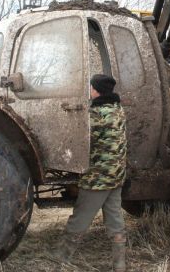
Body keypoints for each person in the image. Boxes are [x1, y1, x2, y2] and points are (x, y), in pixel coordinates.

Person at [50, 73, 128, 271]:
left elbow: (81, 142)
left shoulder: (95, 115)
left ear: (96, 90)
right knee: (115, 219)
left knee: (81, 217)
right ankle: (119, 263)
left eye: (91, 87)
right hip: (116, 176)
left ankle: (62, 255)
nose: (90, 90)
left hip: (97, 178)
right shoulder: (118, 110)